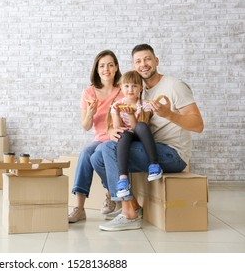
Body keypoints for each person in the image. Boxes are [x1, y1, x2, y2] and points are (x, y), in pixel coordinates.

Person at [91, 44, 204, 231]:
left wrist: (169, 114)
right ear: (134, 67)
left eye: (147, 59)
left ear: (156, 61)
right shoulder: (138, 90)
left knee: (107, 149)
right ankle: (132, 205)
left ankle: (128, 215)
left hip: (171, 153)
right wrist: (112, 130)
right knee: (96, 157)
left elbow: (198, 125)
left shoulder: (174, 86)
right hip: (148, 146)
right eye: (138, 61)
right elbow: (121, 121)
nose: (143, 64)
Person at [68, 49, 124, 223]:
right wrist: (91, 112)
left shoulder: (123, 90)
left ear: (116, 68)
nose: (106, 69)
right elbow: (85, 126)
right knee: (86, 153)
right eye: (102, 66)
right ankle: (79, 208)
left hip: (116, 139)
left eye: (110, 65)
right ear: (97, 69)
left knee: (98, 153)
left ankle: (111, 195)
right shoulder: (89, 93)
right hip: (99, 139)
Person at [110, 70, 163, 199]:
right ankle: (123, 178)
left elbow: (138, 128)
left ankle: (154, 164)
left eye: (134, 86)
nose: (130, 89)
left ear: (140, 88)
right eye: (127, 86)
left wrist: (131, 114)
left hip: (141, 135)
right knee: (123, 133)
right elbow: (117, 128)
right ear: (121, 87)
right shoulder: (116, 105)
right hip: (127, 137)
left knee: (141, 125)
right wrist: (117, 114)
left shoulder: (145, 105)